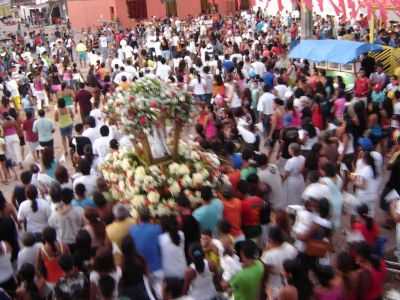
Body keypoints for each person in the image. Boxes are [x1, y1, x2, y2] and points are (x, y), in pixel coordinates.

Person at [261, 226, 297, 298]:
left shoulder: (269, 255)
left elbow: (264, 272)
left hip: (273, 287)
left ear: (271, 239)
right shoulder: (291, 248)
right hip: (287, 284)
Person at [119, 235, 155, 300]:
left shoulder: (122, 265)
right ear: (133, 246)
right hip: (141, 291)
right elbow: (147, 274)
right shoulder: (140, 259)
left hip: (128, 294)